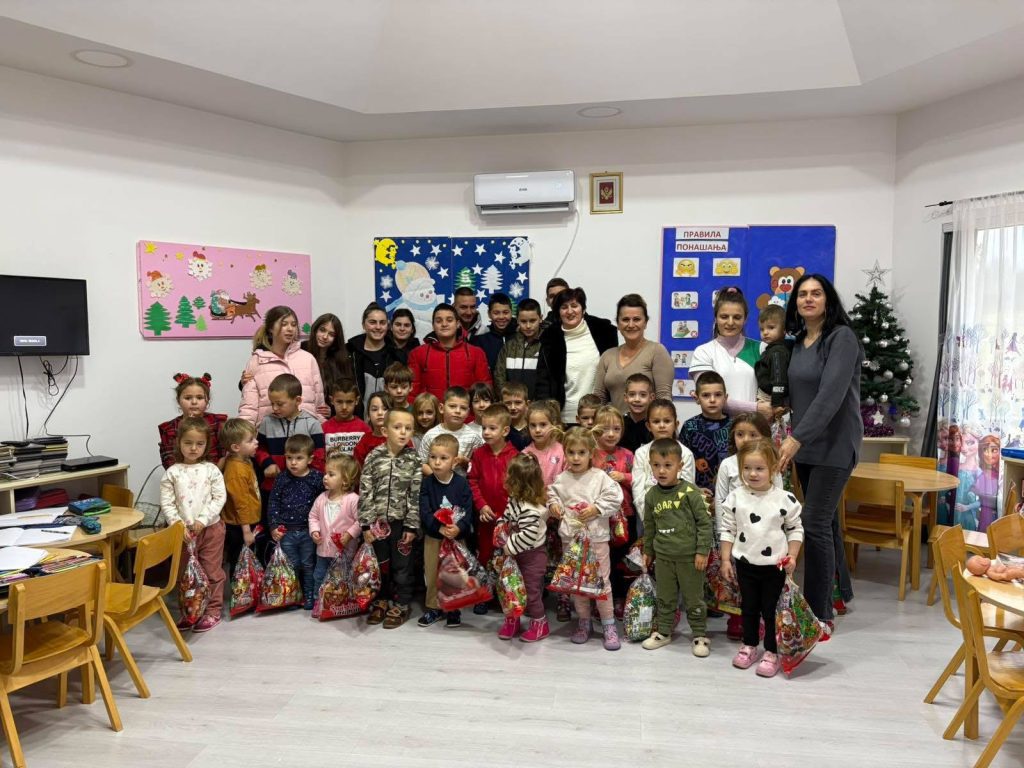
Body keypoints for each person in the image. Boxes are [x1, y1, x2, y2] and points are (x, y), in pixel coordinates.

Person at [777, 273, 863, 640]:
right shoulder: (799, 343)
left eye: (816, 293)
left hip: (835, 444)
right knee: (825, 523)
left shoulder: (841, 338)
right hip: (808, 446)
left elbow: (830, 395)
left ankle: (818, 612)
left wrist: (796, 438)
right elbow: (801, 393)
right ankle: (840, 595)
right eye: (802, 294)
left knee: (812, 523)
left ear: (828, 300)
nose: (808, 299)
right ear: (795, 302)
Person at [719, 438, 804, 677]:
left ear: (774, 468)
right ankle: (749, 645)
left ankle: (771, 651)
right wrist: (725, 559)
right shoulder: (736, 497)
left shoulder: (785, 499)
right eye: (747, 468)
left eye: (759, 468)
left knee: (770, 610)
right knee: (748, 607)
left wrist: (792, 556)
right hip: (745, 564)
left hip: (774, 567)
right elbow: (727, 529)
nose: (753, 474)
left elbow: (795, 529)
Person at [547, 427, 624, 650]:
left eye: (581, 452)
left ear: (591, 453)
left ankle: (608, 624)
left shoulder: (600, 477)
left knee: (601, 581)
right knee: (576, 583)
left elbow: (615, 497)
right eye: (571, 452)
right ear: (565, 453)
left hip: (596, 539)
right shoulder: (561, 479)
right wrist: (554, 506)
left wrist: (596, 508)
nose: (576, 457)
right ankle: (583, 621)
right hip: (571, 540)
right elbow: (551, 495)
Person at [714, 412, 783, 641]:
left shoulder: (772, 465)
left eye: (753, 434)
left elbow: (779, 499)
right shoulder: (727, 465)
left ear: (765, 437)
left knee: (762, 581)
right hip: (735, 533)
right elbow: (720, 500)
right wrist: (723, 532)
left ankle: (762, 619)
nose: (745, 439)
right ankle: (737, 618)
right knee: (736, 578)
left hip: (764, 536)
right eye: (740, 434)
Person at [640, 438, 712, 657]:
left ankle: (699, 635)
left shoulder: (690, 492)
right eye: (656, 465)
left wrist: (702, 551)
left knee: (694, 598)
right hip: (663, 558)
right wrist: (648, 551)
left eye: (668, 465)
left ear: (680, 466)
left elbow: (705, 523)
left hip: (690, 558)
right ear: (650, 466)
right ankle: (663, 632)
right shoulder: (651, 495)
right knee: (665, 597)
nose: (662, 471)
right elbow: (650, 526)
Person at [160, 417, 226, 633]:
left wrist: (202, 520)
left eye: (199, 443)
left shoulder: (212, 470)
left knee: (211, 570)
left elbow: (219, 498)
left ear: (207, 445)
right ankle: (190, 610)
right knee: (185, 574)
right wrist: (178, 525)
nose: (193, 448)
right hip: (183, 533)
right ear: (179, 442)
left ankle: (213, 610)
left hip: (211, 529)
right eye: (188, 443)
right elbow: (167, 503)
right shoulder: (172, 472)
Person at [359, 409, 421, 629]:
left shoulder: (414, 459)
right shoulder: (373, 457)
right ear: (385, 431)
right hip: (377, 525)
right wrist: (366, 524)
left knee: (402, 567)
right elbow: (365, 491)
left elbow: (415, 494)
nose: (403, 432)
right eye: (397, 427)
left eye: (408, 428)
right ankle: (382, 599)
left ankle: (402, 603)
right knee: (381, 565)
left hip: (401, 524)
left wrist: (411, 526)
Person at [535, 287, 618, 426]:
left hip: (599, 416)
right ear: (558, 312)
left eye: (574, 306)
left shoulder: (604, 332)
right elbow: (543, 383)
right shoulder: (549, 340)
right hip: (565, 418)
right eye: (564, 307)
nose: (570, 311)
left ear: (583, 309)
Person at [688, 287, 772, 420]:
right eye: (724, 317)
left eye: (737, 317)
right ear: (716, 318)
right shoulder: (703, 352)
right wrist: (757, 408)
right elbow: (709, 397)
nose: (730, 322)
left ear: (745, 319)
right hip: (717, 429)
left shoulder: (762, 349)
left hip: (754, 428)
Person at [417, 433, 474, 628]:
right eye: (433, 457)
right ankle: (434, 608)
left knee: (455, 574)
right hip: (434, 538)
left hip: (456, 538)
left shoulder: (462, 483)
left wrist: (458, 528)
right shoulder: (427, 483)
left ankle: (453, 609)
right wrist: (439, 528)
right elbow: (424, 511)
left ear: (454, 461)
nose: (437, 462)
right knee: (433, 573)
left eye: (443, 458)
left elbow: (468, 510)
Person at [239, 305, 325, 425]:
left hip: (305, 432)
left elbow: (319, 405)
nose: (290, 329)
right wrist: (244, 432)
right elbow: (249, 408)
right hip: (269, 431)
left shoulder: (308, 359)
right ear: (271, 328)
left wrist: (321, 427)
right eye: (284, 324)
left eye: (293, 325)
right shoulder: (257, 361)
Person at [467, 404, 519, 601]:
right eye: (484, 428)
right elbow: (472, 481)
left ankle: (505, 596)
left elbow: (519, 488)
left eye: (492, 428)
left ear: (505, 431)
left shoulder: (516, 457)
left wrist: (510, 514)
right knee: (485, 555)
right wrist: (481, 505)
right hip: (486, 518)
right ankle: (484, 594)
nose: (486, 432)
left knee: (507, 555)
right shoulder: (478, 454)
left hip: (508, 520)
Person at [498, 454, 551, 643]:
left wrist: (508, 546)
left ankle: (540, 623)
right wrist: (501, 525)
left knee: (530, 591)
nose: (506, 479)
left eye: (510, 477)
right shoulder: (515, 500)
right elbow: (507, 516)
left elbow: (527, 536)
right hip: (515, 555)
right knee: (510, 588)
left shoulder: (530, 509)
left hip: (532, 557)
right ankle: (513, 619)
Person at [593, 294, 674, 410]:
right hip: (615, 422)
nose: (631, 325)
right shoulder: (607, 356)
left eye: (636, 319)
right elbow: (598, 400)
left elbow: (664, 399)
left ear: (645, 323)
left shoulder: (657, 351)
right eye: (625, 319)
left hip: (649, 422)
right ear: (618, 324)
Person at [592, 406, 636, 617]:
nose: (611, 434)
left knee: (620, 560)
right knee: (600, 560)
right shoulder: (590, 454)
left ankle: (618, 597)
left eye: (616, 429)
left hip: (624, 516)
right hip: (598, 517)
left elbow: (640, 480)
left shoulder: (627, 455)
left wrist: (624, 477)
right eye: (604, 429)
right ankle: (598, 598)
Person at [255, 374, 326, 496]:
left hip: (305, 489)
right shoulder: (267, 422)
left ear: (297, 400)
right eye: (272, 403)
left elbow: (319, 455)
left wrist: (310, 479)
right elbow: (259, 448)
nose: (274, 408)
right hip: (273, 486)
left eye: (280, 404)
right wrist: (268, 463)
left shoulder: (312, 424)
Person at [408, 303, 491, 402]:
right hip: (430, 411)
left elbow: (484, 390)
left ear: (458, 324)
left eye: (449, 320)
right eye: (439, 321)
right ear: (433, 325)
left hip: (464, 410)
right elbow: (411, 391)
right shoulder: (417, 354)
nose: (444, 324)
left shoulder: (476, 353)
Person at [632, 399, 696, 525]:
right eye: (656, 421)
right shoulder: (641, 453)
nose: (662, 425)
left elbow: (687, 489)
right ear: (648, 426)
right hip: (647, 518)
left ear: (676, 424)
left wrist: (672, 521)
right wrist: (648, 519)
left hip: (678, 519)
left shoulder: (685, 454)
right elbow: (638, 489)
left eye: (667, 421)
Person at [308, 452, 361, 600]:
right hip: (323, 551)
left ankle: (340, 602)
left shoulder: (353, 500)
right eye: (325, 473)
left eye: (331, 474)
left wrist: (350, 534)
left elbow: (361, 521)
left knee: (341, 578)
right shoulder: (321, 498)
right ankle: (318, 601)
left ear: (345, 480)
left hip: (344, 552)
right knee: (319, 575)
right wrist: (314, 531)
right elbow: (313, 517)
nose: (325, 477)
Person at [219, 418, 261, 576]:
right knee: (239, 563)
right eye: (250, 440)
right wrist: (246, 531)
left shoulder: (243, 460)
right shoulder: (236, 471)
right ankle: (239, 589)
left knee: (247, 562)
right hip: (240, 525)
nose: (256, 442)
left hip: (247, 521)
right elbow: (240, 503)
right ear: (236, 447)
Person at [158, 373, 227, 469]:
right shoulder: (170, 429)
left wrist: (213, 474)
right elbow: (169, 462)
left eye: (199, 397)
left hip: (216, 474)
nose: (194, 402)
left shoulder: (218, 423)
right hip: (181, 475)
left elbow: (225, 454)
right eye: (188, 398)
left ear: (207, 400)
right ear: (178, 400)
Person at [679, 371, 732, 492]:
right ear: (697, 398)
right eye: (706, 395)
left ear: (725, 398)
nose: (712, 400)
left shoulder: (735, 427)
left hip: (730, 492)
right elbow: (681, 461)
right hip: (696, 491)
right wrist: (694, 489)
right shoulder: (689, 427)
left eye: (718, 395)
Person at [347, 303, 401, 416]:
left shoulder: (396, 356)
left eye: (382, 323)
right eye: (372, 322)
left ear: (388, 326)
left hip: (390, 419)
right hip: (356, 419)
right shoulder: (349, 353)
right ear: (363, 325)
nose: (378, 327)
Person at [418, 386, 483, 476]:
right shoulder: (430, 435)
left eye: (463, 408)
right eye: (452, 406)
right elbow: (421, 463)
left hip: (461, 483)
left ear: (468, 412)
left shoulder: (473, 437)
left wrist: (465, 461)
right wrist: (437, 478)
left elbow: (480, 465)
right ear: (441, 408)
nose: (458, 411)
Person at [303, 313, 355, 418]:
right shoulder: (301, 352)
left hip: (329, 420)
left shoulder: (341, 360)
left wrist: (334, 409)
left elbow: (346, 393)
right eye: (322, 330)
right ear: (315, 329)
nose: (325, 337)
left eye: (331, 334)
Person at [494, 298, 544, 400]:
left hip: (537, 406)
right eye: (523, 321)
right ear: (517, 320)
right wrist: (509, 401)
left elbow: (549, 382)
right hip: (511, 405)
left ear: (541, 318)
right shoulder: (508, 346)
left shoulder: (547, 345)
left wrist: (537, 405)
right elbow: (499, 377)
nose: (528, 326)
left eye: (532, 321)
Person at [755, 304, 791, 410]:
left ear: (784, 329)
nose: (765, 332)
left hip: (771, 399)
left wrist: (776, 405)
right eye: (762, 329)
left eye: (771, 328)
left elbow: (779, 379)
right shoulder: (771, 349)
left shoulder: (777, 352)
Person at [321, 381, 370, 457]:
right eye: (339, 402)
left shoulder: (364, 429)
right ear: (331, 400)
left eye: (349, 402)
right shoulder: (323, 428)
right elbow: (319, 457)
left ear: (357, 401)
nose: (344, 407)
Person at [471, 292, 518, 371]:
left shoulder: (520, 337)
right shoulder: (479, 341)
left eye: (505, 312)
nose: (501, 317)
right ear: (489, 314)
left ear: (511, 313)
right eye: (496, 313)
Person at [353, 392, 393, 467]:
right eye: (374, 409)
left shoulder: (399, 437)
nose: (380, 413)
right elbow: (357, 466)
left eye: (385, 409)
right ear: (368, 415)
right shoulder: (365, 441)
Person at [621, 373, 654, 454]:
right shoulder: (619, 424)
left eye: (643, 395)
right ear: (625, 397)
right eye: (632, 394)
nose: (637, 399)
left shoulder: (655, 425)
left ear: (651, 397)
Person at [501, 381, 531, 450]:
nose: (513, 407)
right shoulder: (500, 429)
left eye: (518, 402)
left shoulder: (534, 427)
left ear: (527, 404)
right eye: (508, 403)